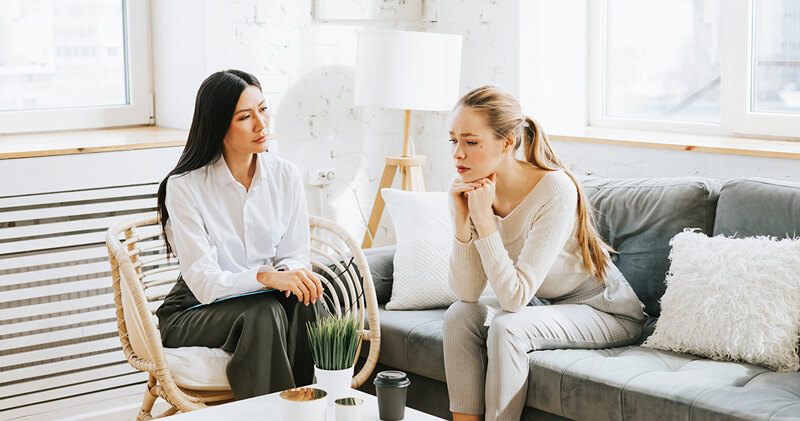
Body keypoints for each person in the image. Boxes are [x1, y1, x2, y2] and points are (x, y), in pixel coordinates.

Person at [443, 86, 646, 421]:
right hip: (546, 304)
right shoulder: (473, 190)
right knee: (458, 315)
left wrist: (483, 220)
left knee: (508, 327)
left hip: (604, 310)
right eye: (454, 141)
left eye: (471, 142)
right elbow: (467, 293)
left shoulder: (555, 188)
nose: (457, 154)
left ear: (507, 142)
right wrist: (464, 219)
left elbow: (513, 301)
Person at [155, 69, 324, 399]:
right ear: (219, 126)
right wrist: (265, 277)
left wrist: (288, 276)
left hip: (261, 301)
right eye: (245, 117)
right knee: (265, 312)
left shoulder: (284, 175)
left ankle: (311, 408)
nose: (261, 125)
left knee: (304, 299)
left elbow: (295, 253)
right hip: (192, 310)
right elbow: (203, 282)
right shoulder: (185, 187)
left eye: (263, 109)